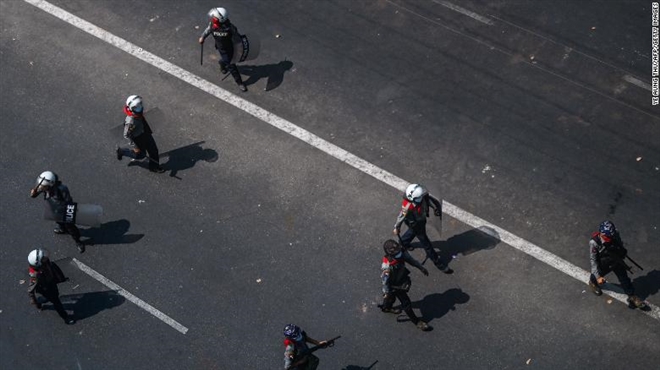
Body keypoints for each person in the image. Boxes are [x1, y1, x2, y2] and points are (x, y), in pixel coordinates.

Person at [393, 183, 452, 274]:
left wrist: (435, 208)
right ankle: (437, 262)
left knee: (412, 233)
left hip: (421, 220)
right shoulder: (407, 206)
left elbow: (428, 200)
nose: (422, 198)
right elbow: (401, 217)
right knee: (426, 244)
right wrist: (397, 227)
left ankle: (403, 243)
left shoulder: (420, 196)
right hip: (416, 224)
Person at [588, 220, 646, 309]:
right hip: (604, 263)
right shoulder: (594, 242)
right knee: (597, 275)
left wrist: (621, 253)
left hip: (616, 260)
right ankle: (593, 282)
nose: (610, 239)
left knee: (624, 279)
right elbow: (593, 260)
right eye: (608, 237)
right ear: (601, 234)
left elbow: (619, 243)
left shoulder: (615, 234)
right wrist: (598, 277)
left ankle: (632, 296)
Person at [380, 239, 431, 331]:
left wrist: (421, 267)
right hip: (395, 286)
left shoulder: (401, 252)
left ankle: (386, 307)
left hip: (401, 280)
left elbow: (410, 260)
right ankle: (417, 322)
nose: (399, 254)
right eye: (396, 253)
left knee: (391, 298)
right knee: (406, 303)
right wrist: (386, 292)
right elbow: (385, 280)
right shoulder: (387, 265)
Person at [30, 171, 85, 253]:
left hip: (63, 211)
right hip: (54, 208)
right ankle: (62, 229)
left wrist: (67, 214)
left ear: (50, 185)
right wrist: (34, 194)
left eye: (43, 186)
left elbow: (69, 203)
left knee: (71, 228)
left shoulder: (62, 189)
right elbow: (36, 193)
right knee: (58, 221)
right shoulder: (46, 187)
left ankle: (78, 241)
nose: (41, 187)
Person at [198, 7, 248, 92]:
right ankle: (239, 82)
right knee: (231, 65)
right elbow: (207, 30)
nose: (212, 19)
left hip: (230, 47)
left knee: (226, 60)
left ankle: (222, 63)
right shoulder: (212, 25)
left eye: (214, 18)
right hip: (221, 49)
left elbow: (237, 36)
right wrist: (203, 37)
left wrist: (240, 46)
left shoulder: (229, 28)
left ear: (220, 20)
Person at [115, 95, 165, 173]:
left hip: (145, 133)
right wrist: (135, 147)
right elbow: (126, 135)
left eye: (140, 105)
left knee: (154, 150)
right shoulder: (130, 121)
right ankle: (122, 151)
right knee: (141, 155)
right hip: (138, 138)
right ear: (131, 108)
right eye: (137, 107)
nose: (140, 108)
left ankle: (154, 167)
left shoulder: (137, 114)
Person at [27, 248, 75, 325]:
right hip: (46, 288)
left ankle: (41, 300)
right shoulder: (35, 276)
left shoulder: (45, 263)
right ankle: (65, 317)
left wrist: (60, 278)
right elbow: (30, 290)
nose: (45, 258)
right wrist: (34, 300)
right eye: (43, 259)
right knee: (56, 302)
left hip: (51, 282)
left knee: (54, 295)